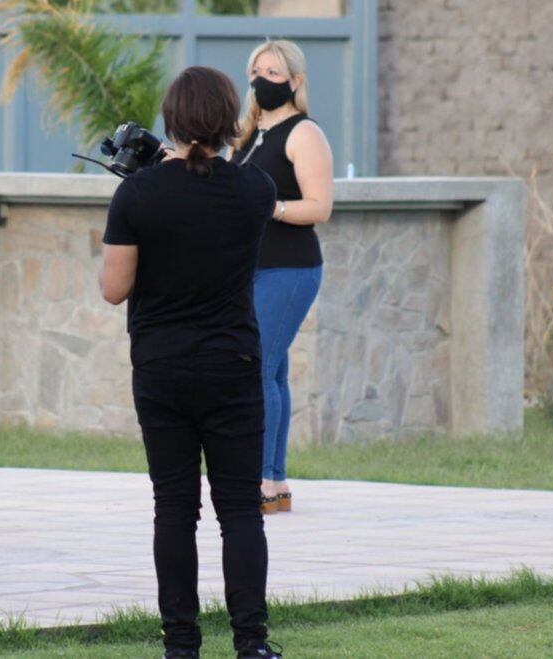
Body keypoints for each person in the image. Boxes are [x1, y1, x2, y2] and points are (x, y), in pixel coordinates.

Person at [100, 66, 283, 659]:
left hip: (162, 365)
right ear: (230, 120)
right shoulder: (256, 189)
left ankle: (181, 643)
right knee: (240, 512)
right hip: (233, 359)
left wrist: (143, 182)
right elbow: (213, 190)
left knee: (175, 509)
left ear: (170, 120)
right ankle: (252, 643)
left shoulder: (137, 194)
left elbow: (113, 289)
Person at [230, 40, 334, 515]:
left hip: (288, 268)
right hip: (248, 268)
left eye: (273, 72)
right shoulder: (249, 134)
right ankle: (274, 482)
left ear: (294, 81)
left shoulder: (303, 133)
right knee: (270, 371)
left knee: (254, 369)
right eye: (256, 70)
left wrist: (271, 207)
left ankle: (257, 481)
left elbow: (320, 206)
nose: (262, 80)